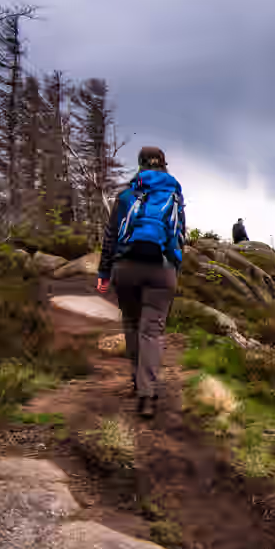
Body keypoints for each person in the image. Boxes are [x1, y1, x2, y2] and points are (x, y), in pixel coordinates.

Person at [96, 146, 187, 419]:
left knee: (133, 325)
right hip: (162, 270)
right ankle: (147, 395)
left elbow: (111, 237)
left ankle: (138, 382)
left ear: (140, 165)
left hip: (126, 268)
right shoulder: (174, 196)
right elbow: (179, 236)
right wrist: (173, 268)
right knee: (152, 332)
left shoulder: (125, 196)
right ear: (164, 165)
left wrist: (103, 274)